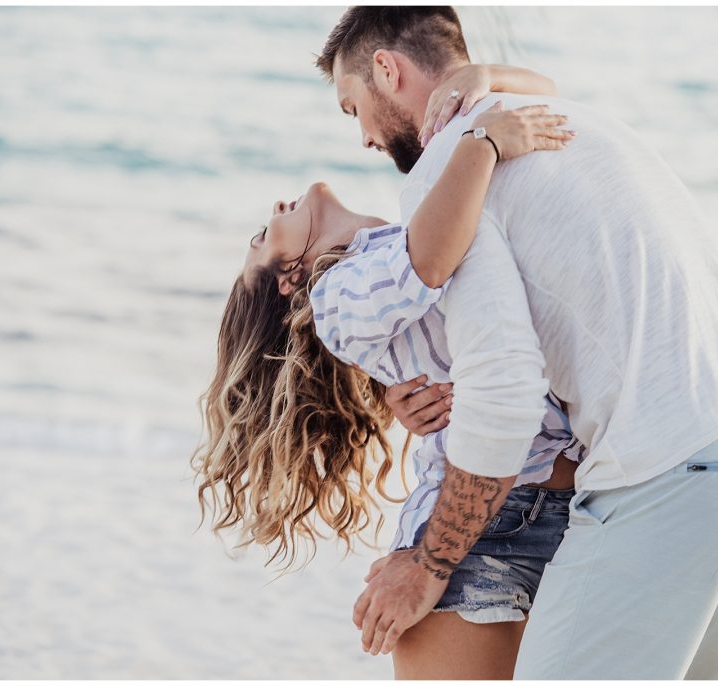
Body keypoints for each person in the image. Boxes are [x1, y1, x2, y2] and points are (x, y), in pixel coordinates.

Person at [317, 6, 718, 679]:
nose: (364, 139)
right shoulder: (570, 122)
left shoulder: (450, 170)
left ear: (388, 70)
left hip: (678, 469)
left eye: (354, 108)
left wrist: (429, 563)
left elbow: (506, 394)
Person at [191, 68, 583, 679]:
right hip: (471, 534)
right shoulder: (338, 297)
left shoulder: (382, 264)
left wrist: (480, 79)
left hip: (565, 507)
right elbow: (428, 259)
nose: (272, 210)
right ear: (291, 278)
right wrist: (485, 142)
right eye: (260, 237)